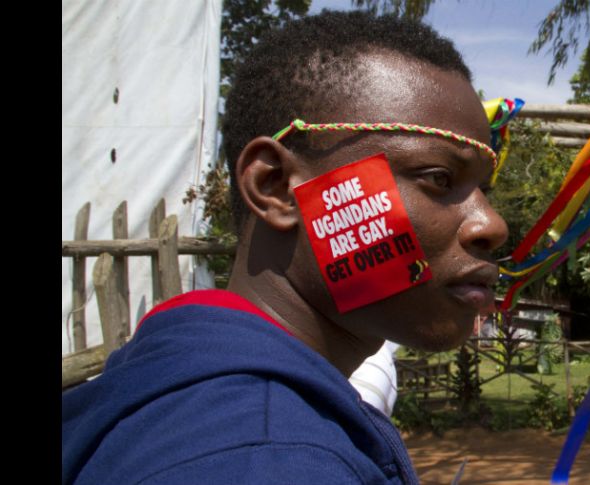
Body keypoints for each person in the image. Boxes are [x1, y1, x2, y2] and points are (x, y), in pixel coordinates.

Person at [62, 10, 508, 485]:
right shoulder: (266, 459)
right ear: (275, 187)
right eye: (439, 178)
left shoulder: (169, 395)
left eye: (484, 189)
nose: (491, 224)